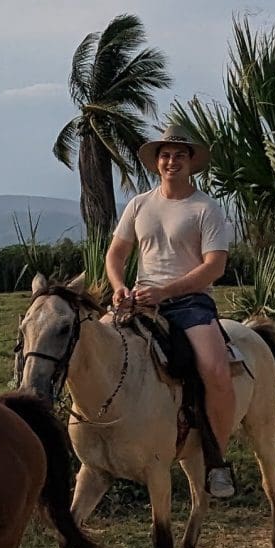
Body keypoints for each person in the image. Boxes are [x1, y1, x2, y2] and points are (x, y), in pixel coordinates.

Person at [106, 133, 238, 498]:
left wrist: (168, 290)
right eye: (165, 155)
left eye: (180, 155)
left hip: (190, 302)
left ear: (191, 162)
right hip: (139, 300)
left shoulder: (205, 208)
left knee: (216, 371)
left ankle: (216, 461)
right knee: (89, 347)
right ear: (156, 161)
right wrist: (119, 286)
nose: (172, 161)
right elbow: (116, 254)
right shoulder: (138, 205)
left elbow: (215, 267)